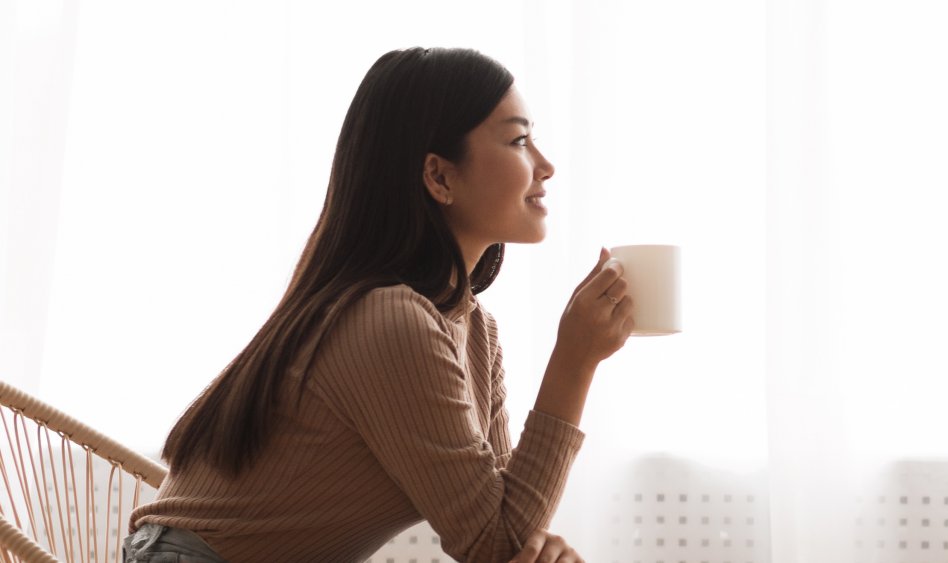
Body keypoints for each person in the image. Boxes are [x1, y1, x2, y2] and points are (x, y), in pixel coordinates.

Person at [126, 46, 634, 563]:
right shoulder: (391, 321)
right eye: (519, 140)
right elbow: (495, 545)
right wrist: (575, 359)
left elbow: (506, 527)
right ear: (439, 177)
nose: (545, 166)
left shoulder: (474, 330)